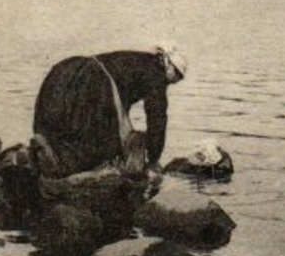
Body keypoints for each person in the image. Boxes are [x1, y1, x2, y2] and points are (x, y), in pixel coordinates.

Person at [31, 44, 188, 179]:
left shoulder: (140, 61)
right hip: (93, 80)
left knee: (66, 129)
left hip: (69, 70)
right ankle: (59, 166)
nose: (175, 81)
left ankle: (42, 155)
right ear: (168, 65)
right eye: (178, 76)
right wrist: (154, 159)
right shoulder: (156, 73)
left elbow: (120, 99)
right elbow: (157, 118)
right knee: (100, 146)